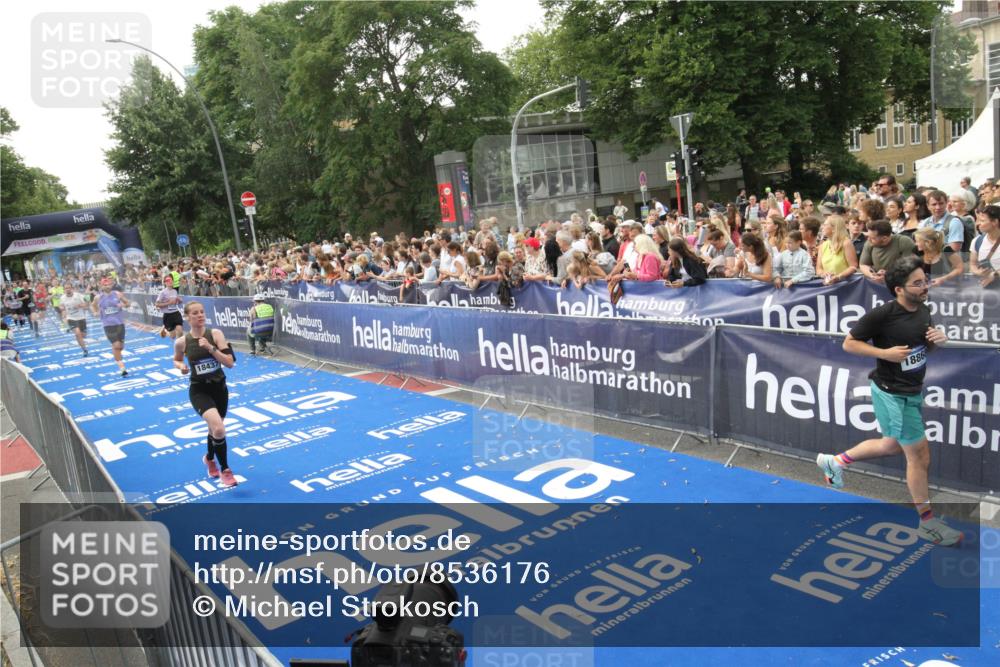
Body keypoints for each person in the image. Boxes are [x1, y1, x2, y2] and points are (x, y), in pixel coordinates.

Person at [816, 256, 961, 546]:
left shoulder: (924, 310)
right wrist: (884, 354)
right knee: (919, 456)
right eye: (917, 283)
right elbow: (849, 343)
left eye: (925, 281)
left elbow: (923, 350)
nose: (925, 287)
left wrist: (937, 341)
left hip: (911, 390)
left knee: (891, 445)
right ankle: (927, 523)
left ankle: (834, 462)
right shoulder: (883, 314)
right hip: (892, 393)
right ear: (898, 289)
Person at [174, 301, 239, 488]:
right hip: (199, 390)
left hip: (219, 388)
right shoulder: (182, 342)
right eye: (195, 313)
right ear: (188, 317)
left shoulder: (215, 334)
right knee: (218, 428)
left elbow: (229, 363)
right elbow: (176, 359)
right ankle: (225, 470)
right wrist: (181, 366)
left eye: (202, 312)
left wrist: (211, 348)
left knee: (214, 429)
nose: (200, 315)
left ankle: (209, 458)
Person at [92, 277, 131, 377]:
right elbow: (93, 305)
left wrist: (122, 305)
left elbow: (128, 303)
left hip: (119, 323)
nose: (107, 286)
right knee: (117, 345)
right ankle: (122, 369)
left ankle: (116, 354)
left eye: (109, 284)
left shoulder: (117, 294)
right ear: (101, 286)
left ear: (112, 285)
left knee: (120, 347)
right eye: (105, 285)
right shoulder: (98, 297)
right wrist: (95, 312)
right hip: (108, 325)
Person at [969, 204, 1000, 288]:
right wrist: (978, 272)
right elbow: (972, 264)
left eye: (982, 221)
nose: (978, 223)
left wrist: (995, 275)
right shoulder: (977, 241)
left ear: (995, 222)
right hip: (985, 289)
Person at [61, 284, 91, 357]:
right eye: (66, 288)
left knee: (83, 335)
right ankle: (84, 350)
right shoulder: (62, 298)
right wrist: (63, 312)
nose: (67, 289)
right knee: (77, 333)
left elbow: (87, 303)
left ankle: (80, 340)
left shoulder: (78, 295)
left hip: (81, 317)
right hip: (71, 318)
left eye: (69, 288)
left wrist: (80, 305)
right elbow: (62, 307)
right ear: (64, 290)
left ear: (72, 288)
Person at [156, 274, 184, 339]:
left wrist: (179, 300)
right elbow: (157, 304)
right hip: (168, 315)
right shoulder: (162, 292)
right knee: (172, 336)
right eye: (168, 280)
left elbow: (178, 301)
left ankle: (179, 344)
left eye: (171, 280)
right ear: (165, 283)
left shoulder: (175, 291)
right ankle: (165, 329)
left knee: (180, 332)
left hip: (176, 313)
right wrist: (168, 303)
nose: (170, 281)